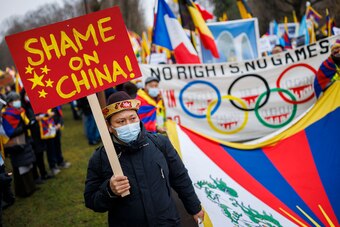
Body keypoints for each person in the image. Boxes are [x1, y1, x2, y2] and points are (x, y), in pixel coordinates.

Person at [84, 91, 204, 226]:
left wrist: (194, 207)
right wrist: (109, 190)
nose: (128, 125)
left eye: (132, 118)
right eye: (121, 121)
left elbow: (180, 177)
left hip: (167, 222)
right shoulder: (100, 158)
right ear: (110, 127)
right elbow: (91, 200)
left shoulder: (160, 143)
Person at [2, 92, 36, 197]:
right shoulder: (7, 115)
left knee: (27, 165)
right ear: (10, 103)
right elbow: (10, 132)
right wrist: (24, 128)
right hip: (16, 144)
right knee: (20, 167)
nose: (18, 101)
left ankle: (30, 187)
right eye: (15, 100)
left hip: (24, 141)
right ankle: (23, 190)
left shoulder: (19, 111)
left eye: (18, 99)